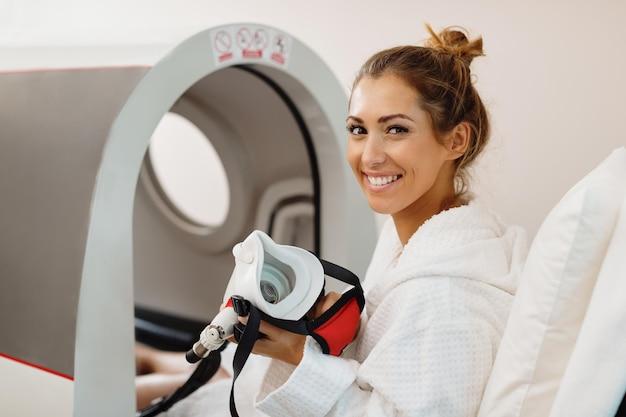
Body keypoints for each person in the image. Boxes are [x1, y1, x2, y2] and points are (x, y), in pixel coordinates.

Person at [138, 23, 528, 416]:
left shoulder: (450, 296)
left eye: (396, 129)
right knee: (195, 380)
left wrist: (296, 355)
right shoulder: (419, 247)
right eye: (358, 130)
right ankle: (154, 363)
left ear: (456, 141)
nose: (370, 155)